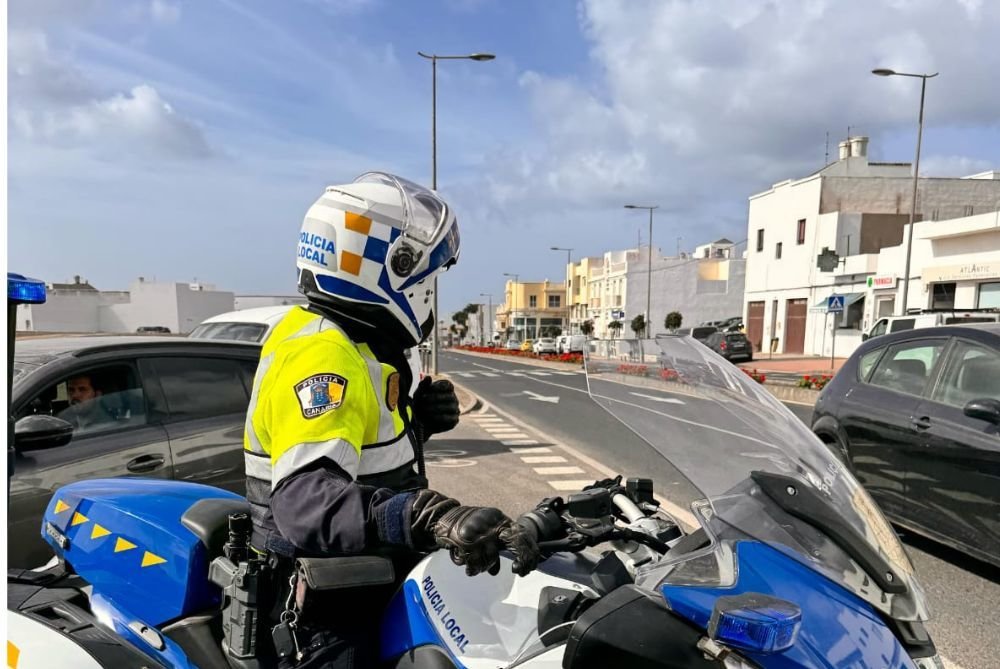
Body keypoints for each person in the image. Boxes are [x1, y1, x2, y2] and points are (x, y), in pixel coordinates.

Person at [244, 172, 540, 667]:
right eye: (425, 276)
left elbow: (355, 454)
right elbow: (307, 503)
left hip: (367, 574)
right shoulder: (324, 354)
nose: (429, 291)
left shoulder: (353, 343)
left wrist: (418, 423)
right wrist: (431, 516)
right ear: (388, 266)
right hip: (327, 602)